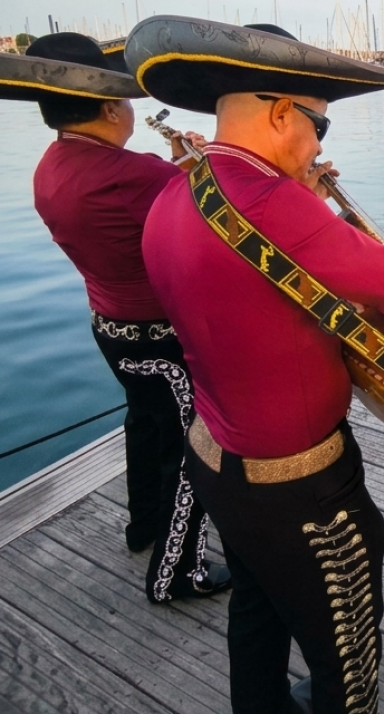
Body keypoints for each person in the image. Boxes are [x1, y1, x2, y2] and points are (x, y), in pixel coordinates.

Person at [128, 18, 384, 714]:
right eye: (319, 126)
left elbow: (247, 275)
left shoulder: (177, 192)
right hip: (301, 491)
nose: (319, 144)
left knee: (257, 610)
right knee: (345, 652)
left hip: (220, 458)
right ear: (282, 112)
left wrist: (304, 196)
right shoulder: (270, 202)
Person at [0, 33, 230, 603]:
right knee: (194, 445)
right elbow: (217, 211)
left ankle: (144, 526)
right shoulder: (134, 174)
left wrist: (180, 165)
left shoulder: (55, 165)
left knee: (145, 425)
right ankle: (177, 571)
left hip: (110, 327)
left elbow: (140, 206)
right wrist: (206, 163)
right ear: (110, 106)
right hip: (162, 338)